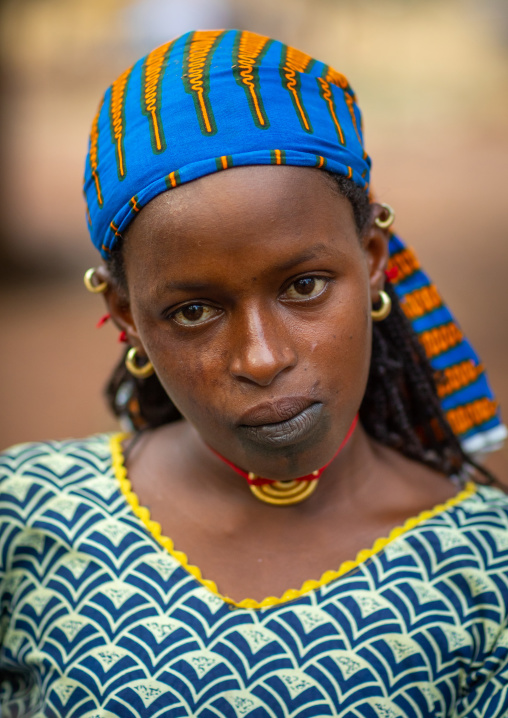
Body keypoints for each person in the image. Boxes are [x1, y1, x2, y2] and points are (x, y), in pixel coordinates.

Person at [1, 29, 508, 718]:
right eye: (192, 311)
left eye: (303, 287)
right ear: (126, 317)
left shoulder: (484, 570)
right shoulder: (27, 512)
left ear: (373, 260)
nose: (263, 358)